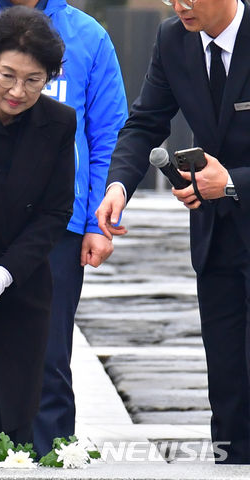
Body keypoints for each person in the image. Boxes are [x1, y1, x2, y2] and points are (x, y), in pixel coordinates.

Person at [0, 0, 128, 454]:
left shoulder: (89, 35)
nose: (18, 89)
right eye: (7, 76)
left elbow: (109, 131)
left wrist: (99, 220)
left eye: (33, 79)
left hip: (52, 233)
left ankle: (45, 460)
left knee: (43, 364)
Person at [96, 0, 250, 464]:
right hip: (215, 238)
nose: (180, 5)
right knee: (227, 387)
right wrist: (119, 186)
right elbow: (145, 122)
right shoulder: (172, 38)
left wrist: (230, 183)